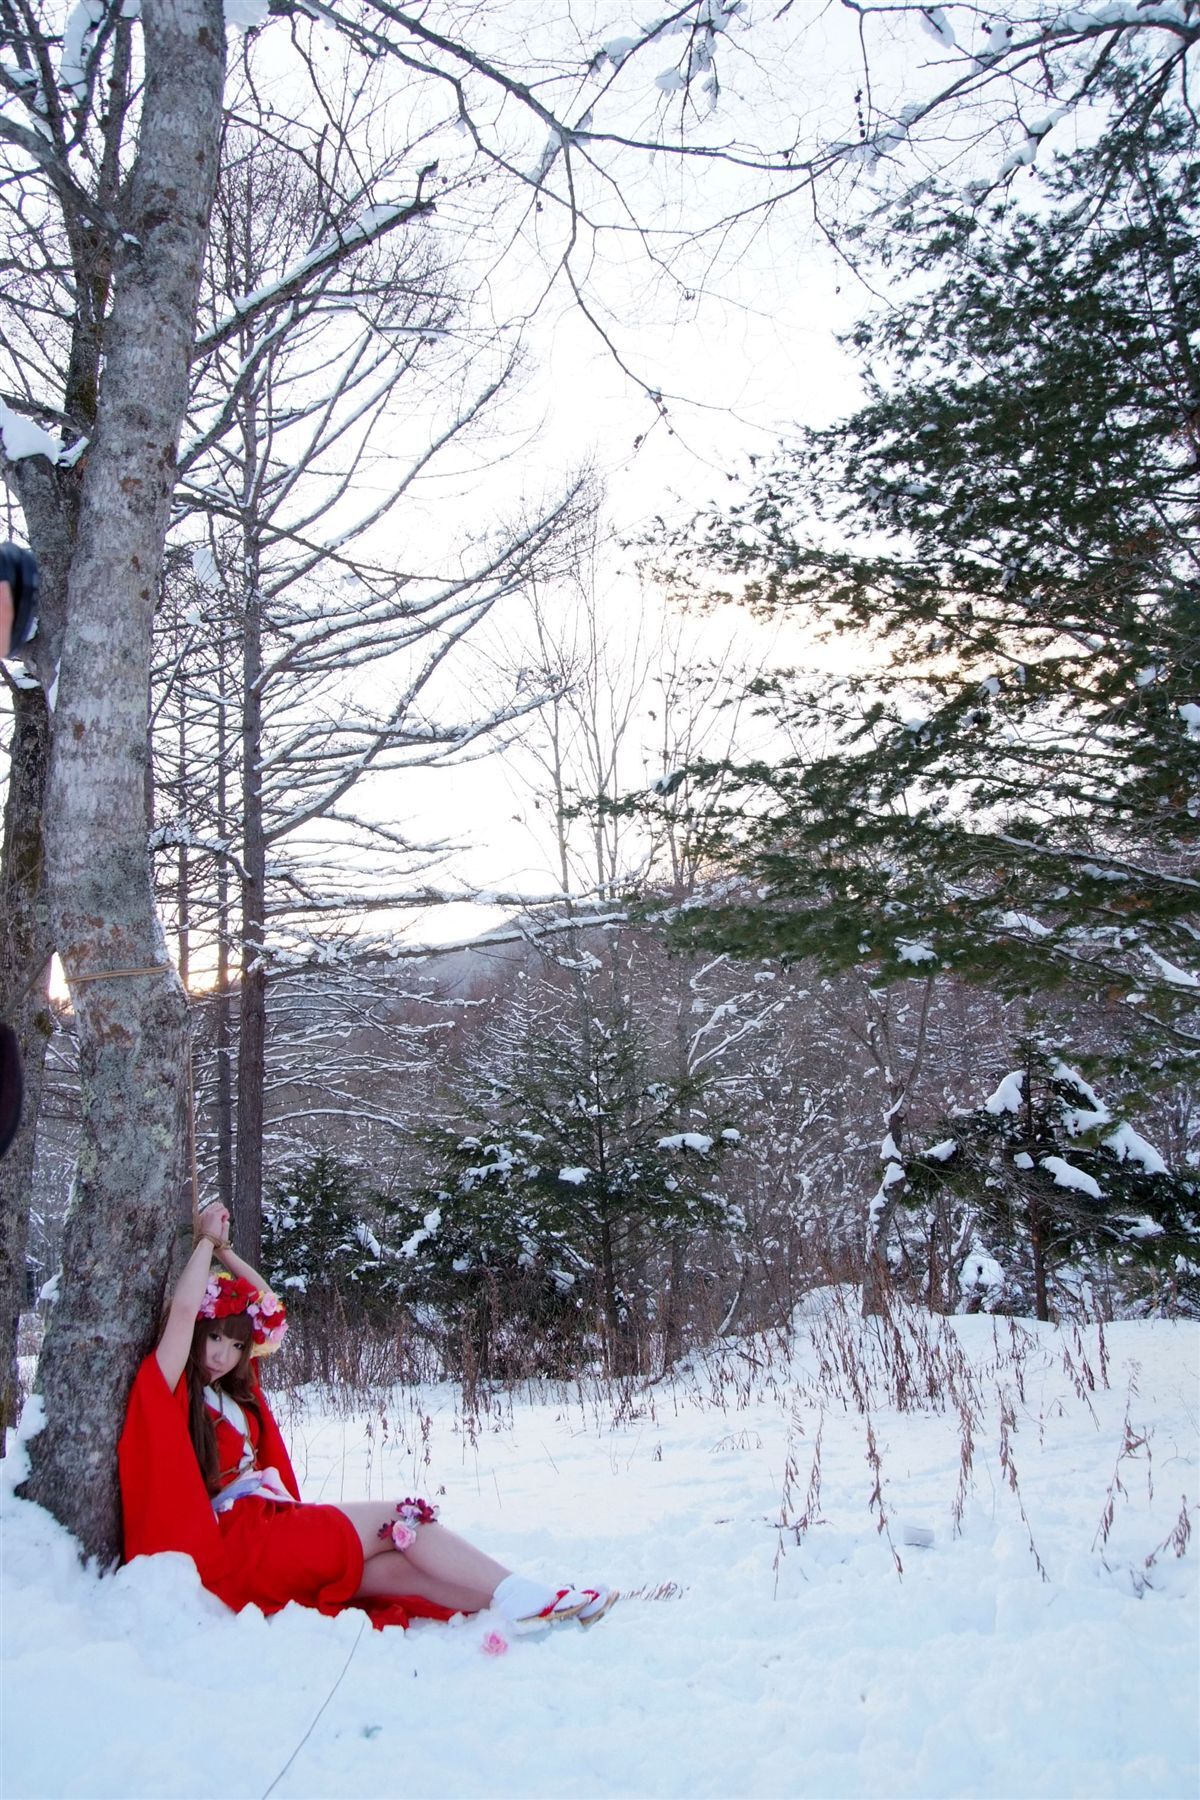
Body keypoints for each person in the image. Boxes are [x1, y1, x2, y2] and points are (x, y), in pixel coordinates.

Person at [118, 1203, 617, 1633]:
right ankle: (521, 1591)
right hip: (245, 1544)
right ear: (196, 1335)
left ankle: (543, 1607)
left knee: (399, 1569)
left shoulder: (237, 1391)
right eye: (214, 1339)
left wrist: (226, 1250)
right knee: (403, 1516)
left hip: (271, 1530)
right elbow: (184, 1311)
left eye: (234, 1345)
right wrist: (205, 1242)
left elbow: (268, 1307)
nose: (223, 1355)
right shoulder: (173, 1390)